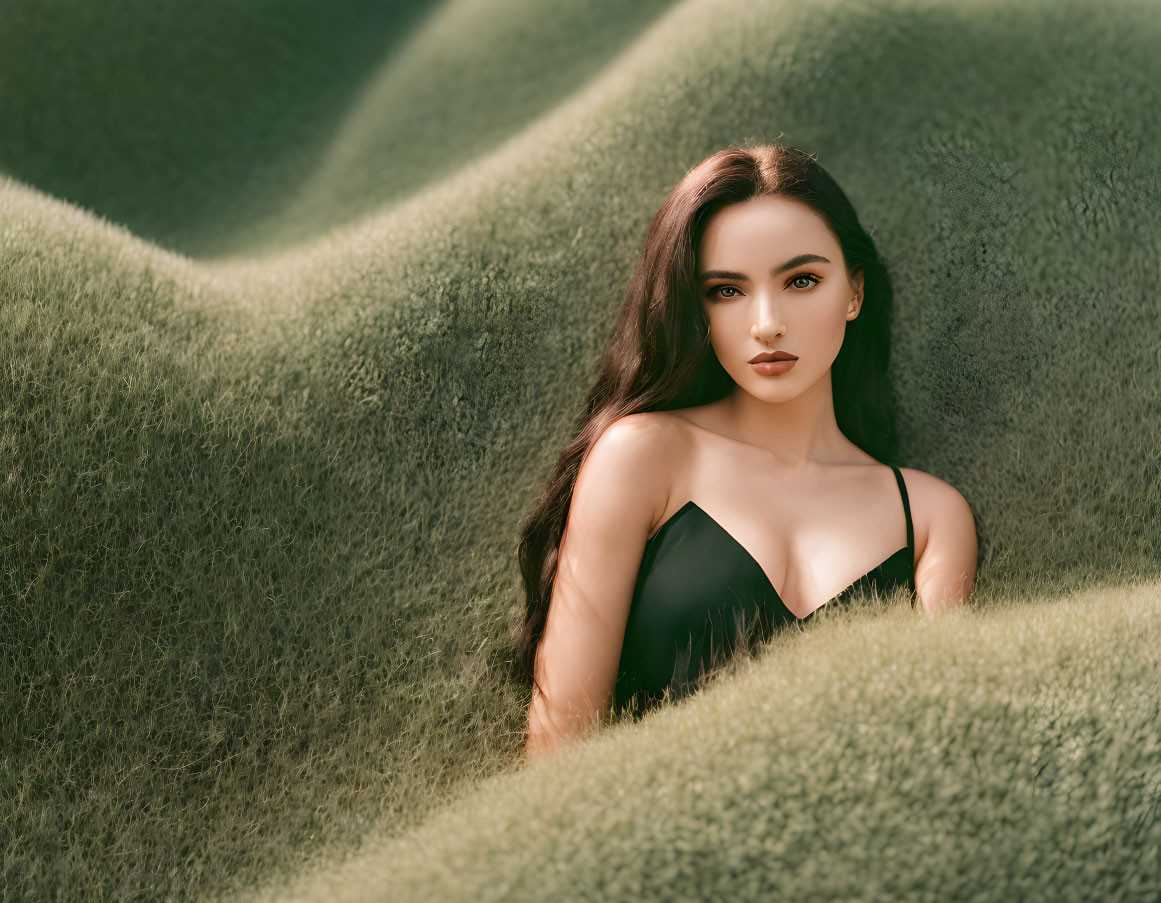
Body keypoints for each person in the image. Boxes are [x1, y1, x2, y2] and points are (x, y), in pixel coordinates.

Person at [516, 142, 978, 762]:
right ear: (695, 307)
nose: (767, 323)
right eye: (727, 291)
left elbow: (938, 750)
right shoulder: (643, 456)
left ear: (855, 293)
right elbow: (557, 748)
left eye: (802, 281)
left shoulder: (927, 516)